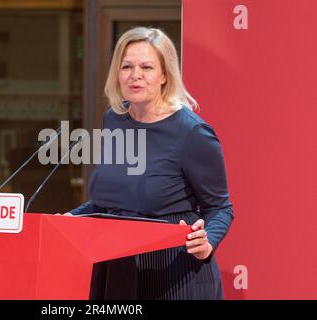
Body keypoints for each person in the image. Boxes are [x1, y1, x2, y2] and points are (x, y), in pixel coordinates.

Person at [66, 27, 234, 300]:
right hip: (117, 267)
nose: (135, 75)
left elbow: (221, 207)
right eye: (127, 67)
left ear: (165, 75)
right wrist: (71, 220)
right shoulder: (114, 120)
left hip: (173, 271)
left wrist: (208, 242)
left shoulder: (191, 132)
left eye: (146, 67)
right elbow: (109, 200)